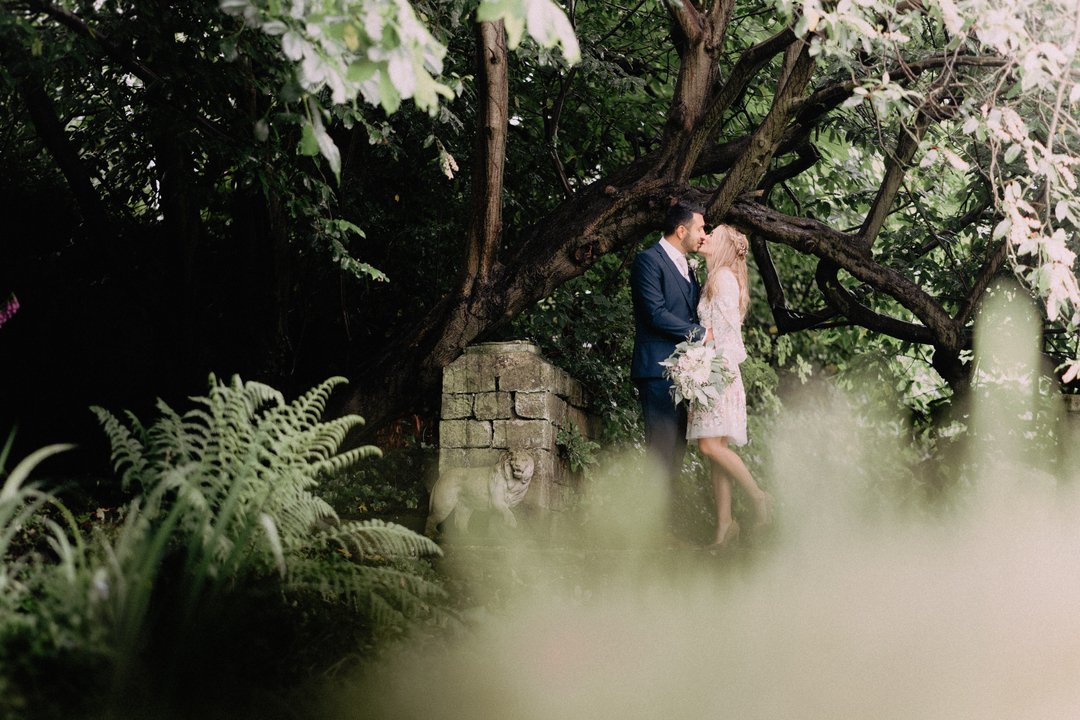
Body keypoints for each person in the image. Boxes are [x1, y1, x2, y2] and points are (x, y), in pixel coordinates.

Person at [689, 224, 772, 547]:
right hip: (714, 370)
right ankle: (725, 525)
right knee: (715, 451)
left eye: (713, 234)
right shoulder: (715, 278)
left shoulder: (722, 279)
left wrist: (707, 371)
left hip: (717, 373)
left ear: (722, 245)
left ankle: (758, 496)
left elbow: (727, 337)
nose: (705, 235)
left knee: (709, 447)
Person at [630, 202, 711, 528]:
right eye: (701, 228)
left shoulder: (688, 268)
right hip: (657, 369)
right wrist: (700, 334)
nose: (704, 234)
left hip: (685, 373)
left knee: (676, 452)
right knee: (660, 451)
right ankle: (650, 533)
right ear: (682, 230)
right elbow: (654, 312)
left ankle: (666, 531)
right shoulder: (648, 261)